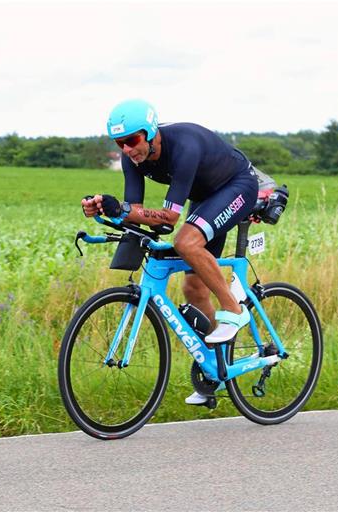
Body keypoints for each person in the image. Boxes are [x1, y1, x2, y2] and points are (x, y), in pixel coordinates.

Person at [81, 99, 258, 405]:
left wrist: (124, 210)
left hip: (237, 185)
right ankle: (217, 367)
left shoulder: (183, 147)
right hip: (205, 198)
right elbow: (135, 213)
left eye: (132, 140)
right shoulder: (132, 159)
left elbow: (169, 219)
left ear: (150, 134)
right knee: (193, 288)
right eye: (119, 143)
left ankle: (235, 310)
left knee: (186, 242)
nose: (127, 149)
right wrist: (107, 208)